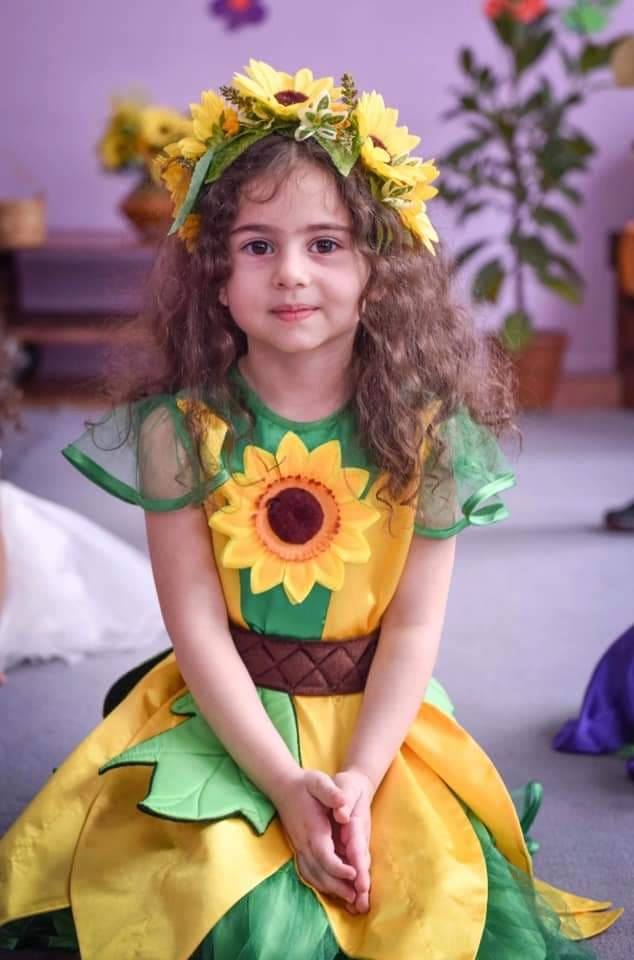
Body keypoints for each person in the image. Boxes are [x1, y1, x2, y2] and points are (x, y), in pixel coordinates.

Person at [0, 60, 622, 959]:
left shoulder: (429, 436)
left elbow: (412, 630)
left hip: (376, 726)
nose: (291, 273)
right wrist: (287, 785)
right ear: (216, 277)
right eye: (257, 246)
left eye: (325, 243)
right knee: (219, 906)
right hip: (232, 718)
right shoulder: (179, 432)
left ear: (378, 269)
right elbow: (197, 629)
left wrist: (357, 781)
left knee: (422, 907)